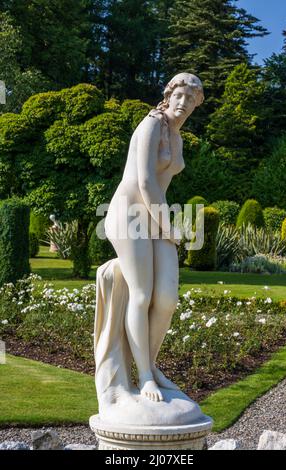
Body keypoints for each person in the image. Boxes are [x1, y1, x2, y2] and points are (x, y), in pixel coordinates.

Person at [104, 72, 204, 403]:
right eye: (180, 96)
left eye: (191, 101)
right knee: (142, 293)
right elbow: (146, 183)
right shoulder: (150, 125)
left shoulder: (176, 137)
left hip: (154, 215)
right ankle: (144, 376)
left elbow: (161, 188)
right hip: (129, 214)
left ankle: (151, 364)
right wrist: (170, 226)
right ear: (168, 94)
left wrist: (163, 224)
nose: (185, 104)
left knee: (167, 298)